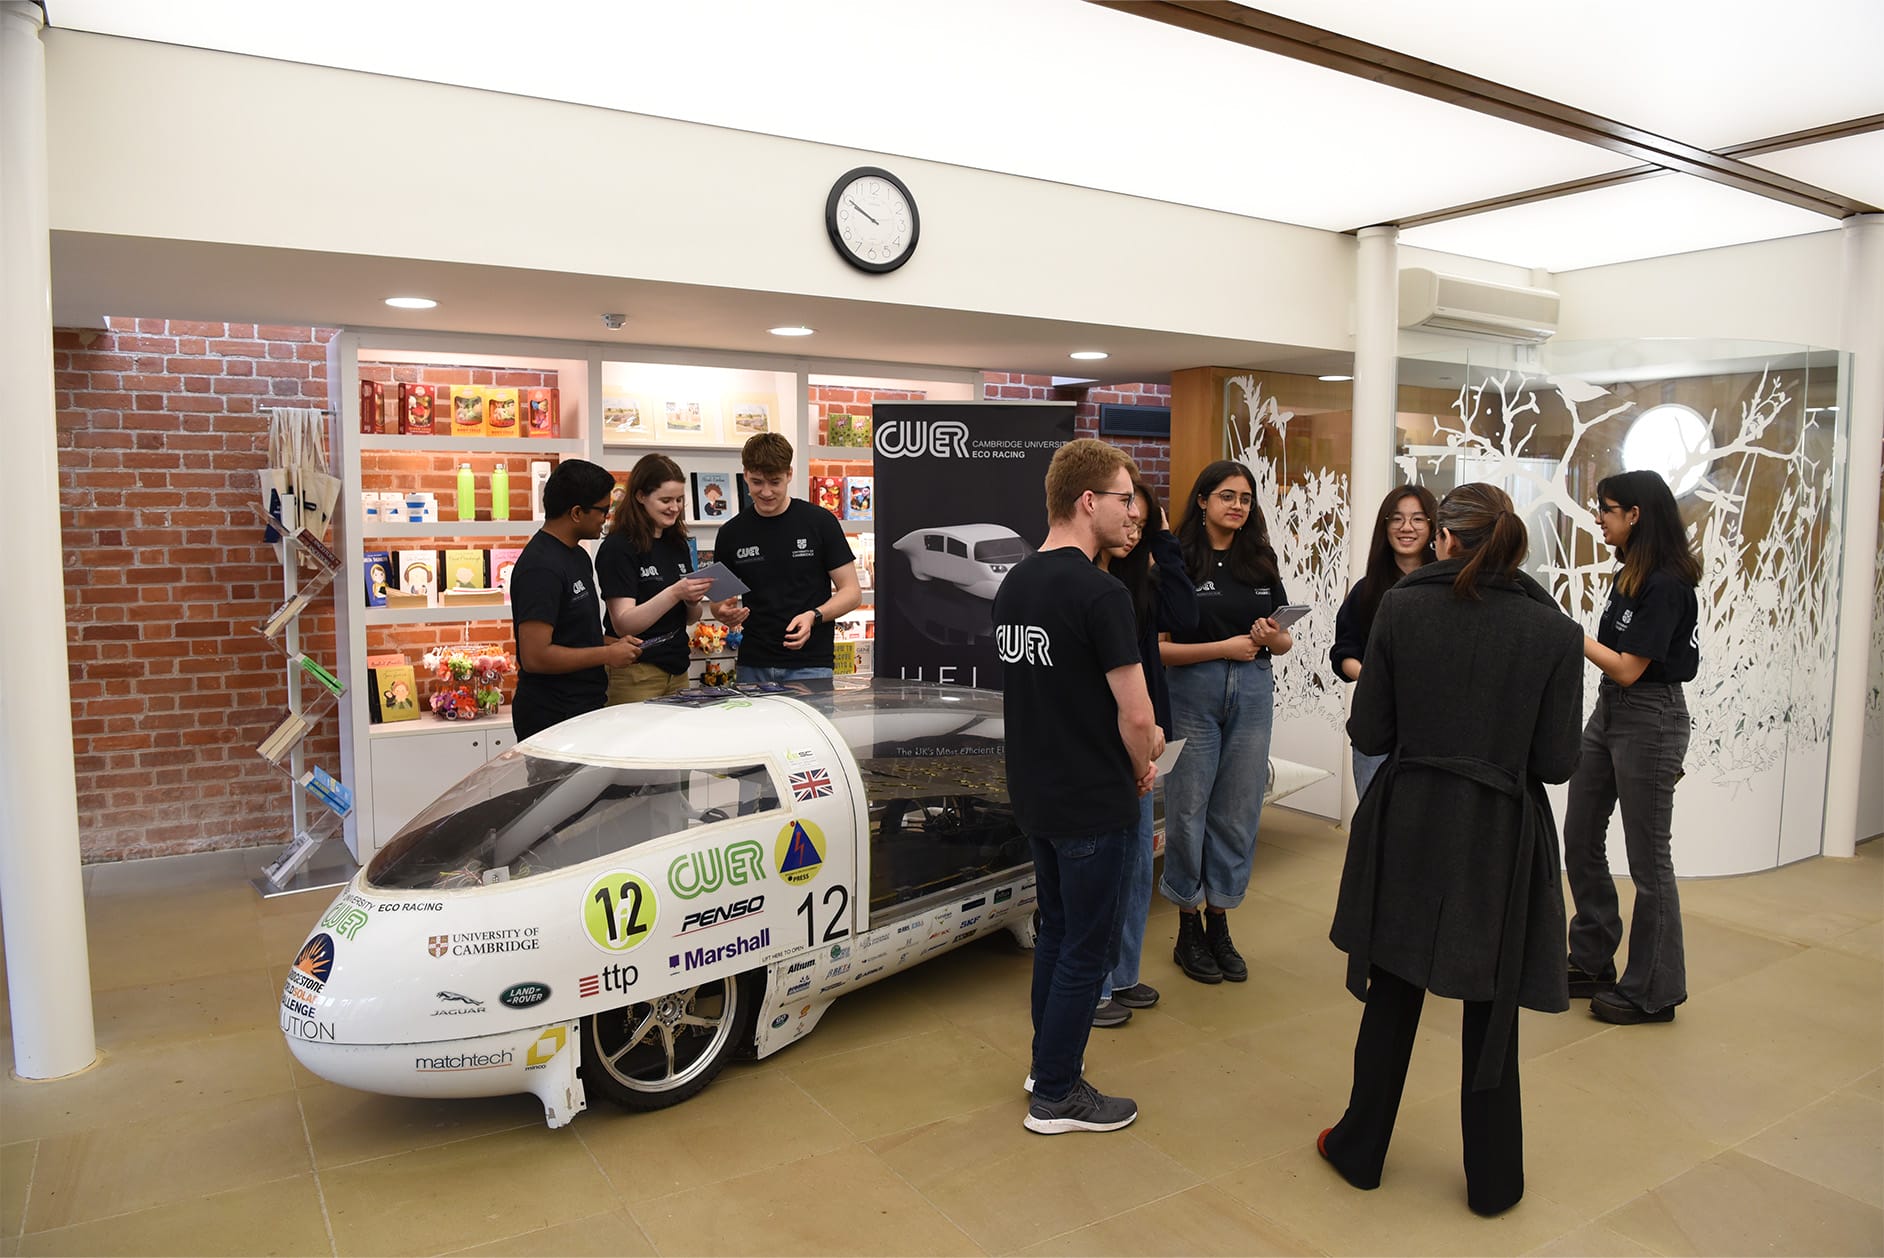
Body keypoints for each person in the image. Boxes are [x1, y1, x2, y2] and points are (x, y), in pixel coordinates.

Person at [1321, 483, 1582, 1217]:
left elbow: (1369, 734)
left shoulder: (1403, 609)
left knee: (1395, 986)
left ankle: (1359, 1147)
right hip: (1500, 829)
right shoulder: (1555, 634)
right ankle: (1495, 1182)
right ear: (1514, 545)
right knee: (1491, 1004)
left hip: (1411, 818)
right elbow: (1557, 761)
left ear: (1443, 539)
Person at [996, 438, 1161, 1135]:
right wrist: (1144, 760)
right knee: (1084, 949)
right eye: (1126, 499)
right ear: (1088, 501)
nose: (1135, 515)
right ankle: (1057, 1094)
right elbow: (1138, 714)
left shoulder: (1015, 582)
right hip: (1093, 799)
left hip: (1037, 792)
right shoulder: (1101, 592)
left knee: (1058, 937)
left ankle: (1046, 1066)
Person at [1562, 470, 1702, 1025]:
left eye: (1607, 509)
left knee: (1649, 863)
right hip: (1610, 713)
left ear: (1636, 515)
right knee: (1579, 836)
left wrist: (1568, 634)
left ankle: (1654, 991)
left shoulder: (1667, 584)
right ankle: (1593, 959)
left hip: (1651, 718)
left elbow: (1626, 669)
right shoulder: (1630, 575)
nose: (1599, 518)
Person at [1157, 460, 1293, 984]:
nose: (1237, 506)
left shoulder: (1259, 559)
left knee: (1238, 809)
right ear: (1203, 501)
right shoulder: (1177, 562)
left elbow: (1283, 641)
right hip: (1193, 690)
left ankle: (1220, 919)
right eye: (1227, 496)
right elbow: (1161, 651)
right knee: (1189, 809)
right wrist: (1225, 647)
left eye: (1245, 498)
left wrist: (1271, 635)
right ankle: (1187, 923)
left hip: (1254, 688)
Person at [1092, 475, 1197, 1028]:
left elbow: (1186, 618)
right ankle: (1098, 986)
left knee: (1136, 865)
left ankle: (1123, 975)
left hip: (1149, 739)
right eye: (1124, 513)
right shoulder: (1082, 583)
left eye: (1140, 517)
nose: (1131, 526)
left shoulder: (1141, 581)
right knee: (1109, 866)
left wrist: (1164, 540)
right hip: (1109, 742)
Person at [710, 433, 862, 683]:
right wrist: (722, 612)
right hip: (753, 665)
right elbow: (719, 602)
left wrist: (814, 616)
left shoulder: (820, 522)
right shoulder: (730, 533)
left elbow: (851, 592)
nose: (766, 492)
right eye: (757, 482)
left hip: (810, 664)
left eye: (775, 482)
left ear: (789, 474)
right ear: (745, 475)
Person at [507, 459, 642, 742]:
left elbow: (576, 636)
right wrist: (607, 655)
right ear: (577, 513)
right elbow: (535, 656)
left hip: (585, 705)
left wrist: (614, 644)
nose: (607, 517)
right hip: (552, 714)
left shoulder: (577, 555)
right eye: (603, 511)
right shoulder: (540, 567)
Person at [1331, 484, 1439, 798]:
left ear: (1433, 527)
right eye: (1397, 519)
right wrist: (1375, 678)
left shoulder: (1449, 590)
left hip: (1431, 731)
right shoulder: (1366, 591)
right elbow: (1344, 652)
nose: (1407, 528)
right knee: (1373, 829)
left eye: (1418, 519)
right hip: (1376, 727)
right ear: (1385, 526)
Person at [596, 453, 714, 703]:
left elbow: (691, 618)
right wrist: (675, 592)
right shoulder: (619, 547)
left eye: (680, 499)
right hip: (636, 672)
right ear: (640, 496)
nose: (675, 507)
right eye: (666, 500)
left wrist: (692, 599)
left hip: (678, 670)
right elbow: (624, 623)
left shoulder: (678, 543)